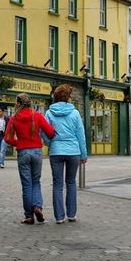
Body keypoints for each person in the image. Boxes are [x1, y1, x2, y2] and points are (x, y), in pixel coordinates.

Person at [4, 93, 55, 225]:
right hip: (37, 151)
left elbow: (7, 138)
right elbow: (50, 132)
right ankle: (38, 207)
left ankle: (29, 216)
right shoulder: (37, 115)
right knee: (36, 181)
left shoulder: (14, 118)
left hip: (23, 152)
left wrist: (19, 143)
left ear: (19, 104)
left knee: (27, 184)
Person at [43, 84, 88, 224]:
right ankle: (71, 214)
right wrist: (83, 154)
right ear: (67, 97)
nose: (71, 98)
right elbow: (81, 135)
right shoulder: (75, 113)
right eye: (70, 96)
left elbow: (43, 132)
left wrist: (51, 144)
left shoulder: (49, 113)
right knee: (71, 182)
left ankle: (59, 217)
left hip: (56, 151)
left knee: (57, 184)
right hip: (73, 151)